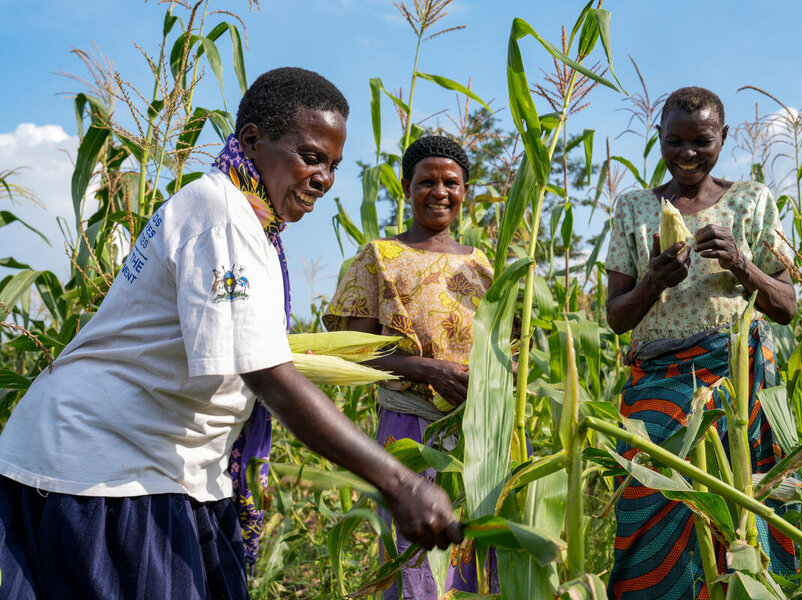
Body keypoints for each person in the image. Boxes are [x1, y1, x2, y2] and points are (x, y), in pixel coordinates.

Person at [0, 67, 461, 600]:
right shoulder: (221, 214)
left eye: (332, 165)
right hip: (104, 469)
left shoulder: (258, 229)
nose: (324, 179)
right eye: (311, 156)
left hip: (179, 473)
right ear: (251, 141)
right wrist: (400, 483)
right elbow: (267, 372)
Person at [604, 87, 798, 598]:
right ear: (659, 139)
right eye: (675, 142)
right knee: (650, 504)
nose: (687, 154)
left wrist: (741, 263)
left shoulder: (750, 201)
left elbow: (787, 304)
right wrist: (653, 283)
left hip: (738, 387)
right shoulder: (634, 209)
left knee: (744, 508)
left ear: (723, 138)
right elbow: (617, 319)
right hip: (658, 389)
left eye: (702, 141)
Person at [323, 135, 492, 599]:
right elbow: (352, 352)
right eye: (427, 182)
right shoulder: (379, 257)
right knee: (414, 558)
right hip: (409, 432)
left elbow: (506, 352)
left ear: (464, 190)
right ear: (406, 188)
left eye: (451, 183)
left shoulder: (483, 266)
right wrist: (430, 370)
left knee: (475, 557)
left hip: (477, 439)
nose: (439, 191)